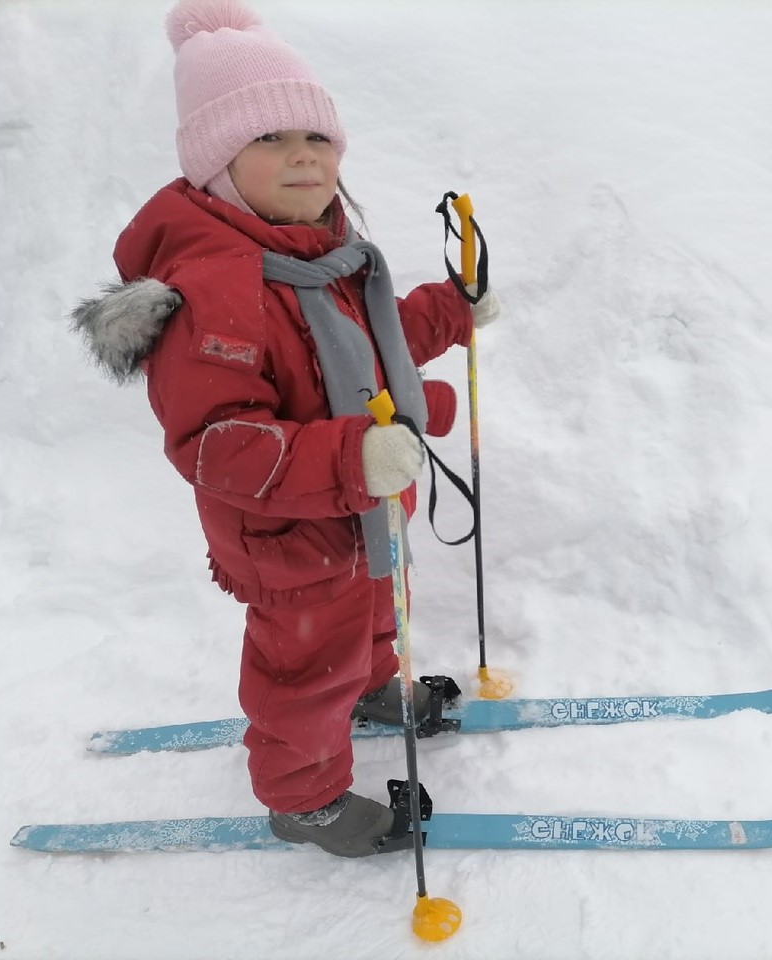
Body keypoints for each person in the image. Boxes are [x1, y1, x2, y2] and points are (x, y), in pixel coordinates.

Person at [70, 0, 501, 858]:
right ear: (216, 164)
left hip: (364, 511)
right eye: (269, 139)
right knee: (306, 670)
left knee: (376, 614)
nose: (303, 155)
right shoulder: (221, 284)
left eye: (318, 136)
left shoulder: (322, 250)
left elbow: (378, 341)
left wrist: (451, 312)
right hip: (291, 539)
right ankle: (302, 798)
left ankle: (373, 687)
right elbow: (216, 443)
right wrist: (352, 454)